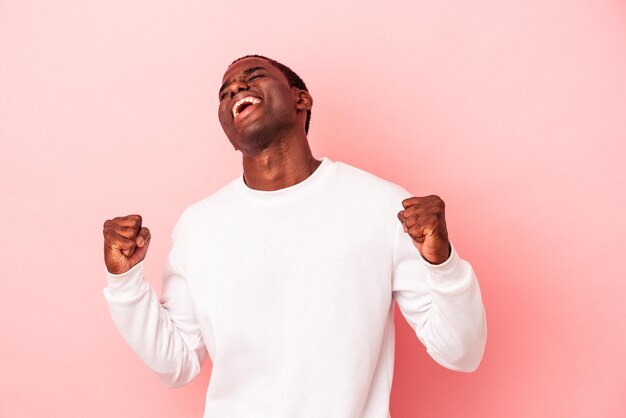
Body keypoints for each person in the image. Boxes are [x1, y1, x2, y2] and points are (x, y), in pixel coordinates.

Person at [102, 55, 487, 418]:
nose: (235, 89)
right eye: (225, 92)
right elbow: (177, 364)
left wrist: (443, 264)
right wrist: (124, 284)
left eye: (253, 77)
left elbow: (461, 352)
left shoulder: (382, 205)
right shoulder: (198, 226)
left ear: (300, 98)